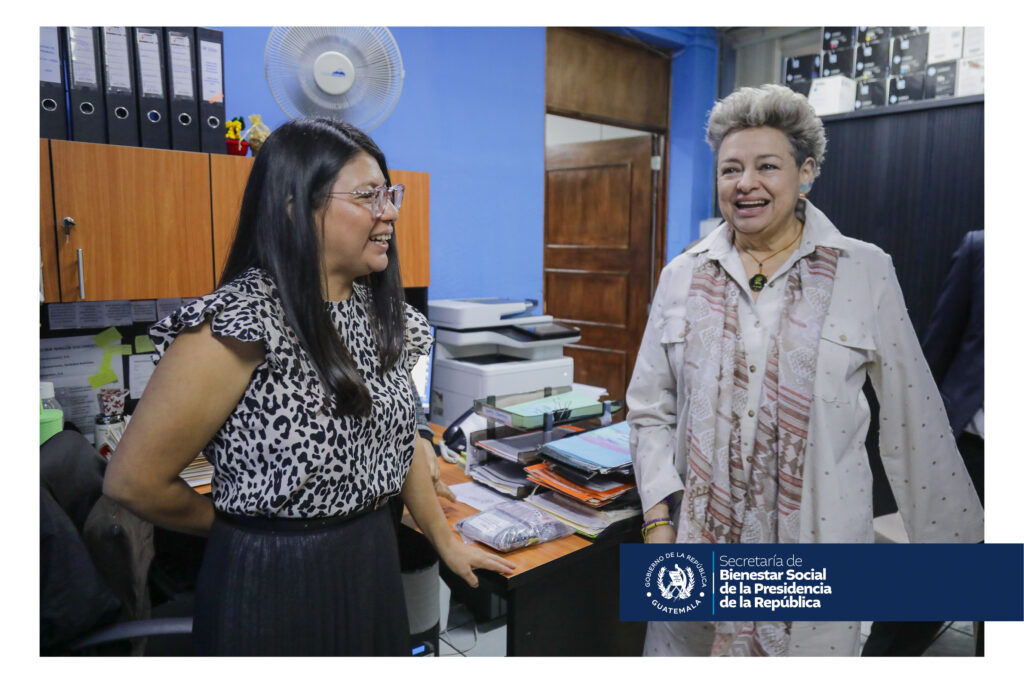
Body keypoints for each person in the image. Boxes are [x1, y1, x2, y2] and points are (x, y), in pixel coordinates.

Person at [103, 117, 514, 656]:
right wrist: (246, 530)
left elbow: (402, 439)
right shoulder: (239, 324)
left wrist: (445, 541)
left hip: (370, 565)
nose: (389, 212)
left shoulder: (384, 316)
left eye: (390, 194)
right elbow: (132, 483)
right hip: (276, 584)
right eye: (368, 195)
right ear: (296, 207)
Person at [626, 84, 982, 657]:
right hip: (698, 549)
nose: (746, 184)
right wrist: (658, 523)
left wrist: (958, 561)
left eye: (767, 166)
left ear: (806, 173)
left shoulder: (863, 270)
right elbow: (648, 410)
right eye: (730, 169)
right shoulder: (681, 276)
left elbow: (915, 419)